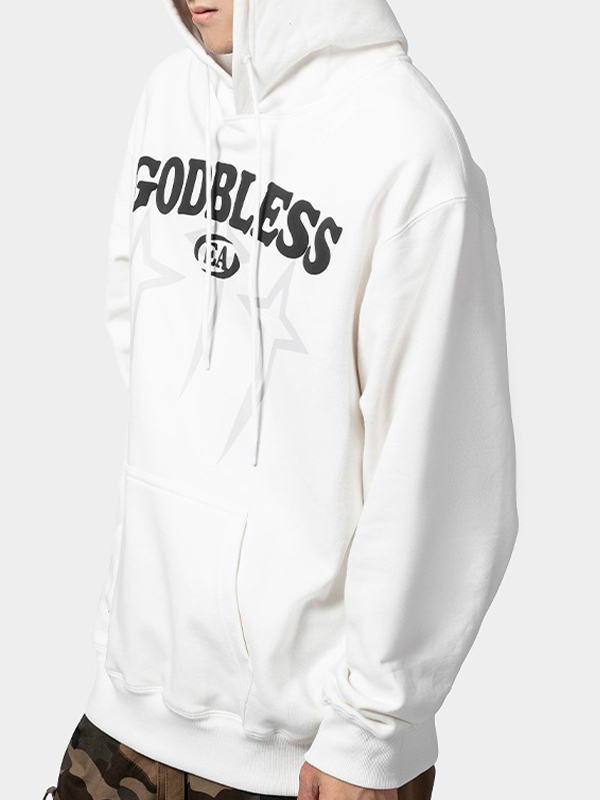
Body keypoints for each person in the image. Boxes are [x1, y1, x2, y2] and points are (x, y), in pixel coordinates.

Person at [43, 0, 519, 798]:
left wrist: (373, 730)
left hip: (313, 754)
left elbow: (444, 466)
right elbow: (143, 344)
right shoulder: (170, 97)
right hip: (130, 706)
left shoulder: (407, 144)